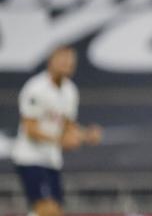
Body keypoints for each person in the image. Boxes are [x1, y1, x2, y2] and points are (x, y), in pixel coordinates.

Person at [13, 46, 103, 216]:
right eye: (62, 59)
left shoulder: (70, 91)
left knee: (54, 212)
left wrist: (86, 135)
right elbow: (30, 128)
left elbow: (67, 127)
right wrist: (59, 140)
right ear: (51, 61)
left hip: (51, 159)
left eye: (70, 60)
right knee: (48, 210)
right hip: (30, 158)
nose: (67, 63)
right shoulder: (36, 88)